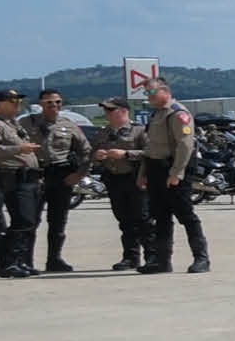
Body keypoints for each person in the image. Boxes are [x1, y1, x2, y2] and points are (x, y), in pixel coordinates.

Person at [138, 78, 209, 273]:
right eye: (146, 93)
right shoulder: (156, 115)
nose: (148, 97)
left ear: (164, 91)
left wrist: (176, 173)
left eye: (151, 92)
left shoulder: (178, 113)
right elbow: (150, 147)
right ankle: (162, 261)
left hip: (173, 170)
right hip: (155, 170)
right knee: (160, 217)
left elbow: (185, 146)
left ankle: (201, 258)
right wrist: (143, 173)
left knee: (186, 215)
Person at [0, 88, 44, 279]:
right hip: (14, 178)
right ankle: (8, 262)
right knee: (22, 221)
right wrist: (19, 148)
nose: (17, 103)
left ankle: (21, 261)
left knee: (30, 222)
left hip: (30, 178)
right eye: (12, 100)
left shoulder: (14, 124)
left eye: (18, 100)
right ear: (0, 103)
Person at [29, 88, 90, 272]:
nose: (54, 106)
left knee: (58, 221)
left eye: (58, 102)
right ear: (41, 104)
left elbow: (86, 151)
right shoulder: (26, 123)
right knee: (30, 221)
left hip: (61, 176)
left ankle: (54, 259)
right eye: (49, 102)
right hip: (36, 174)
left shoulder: (68, 125)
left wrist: (79, 174)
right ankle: (25, 260)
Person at [88, 98, 149, 270]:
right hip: (114, 179)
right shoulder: (103, 133)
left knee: (142, 219)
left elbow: (150, 153)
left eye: (110, 110)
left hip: (135, 178)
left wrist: (126, 154)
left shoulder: (139, 131)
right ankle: (130, 256)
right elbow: (92, 155)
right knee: (124, 219)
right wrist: (97, 156)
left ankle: (152, 256)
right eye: (106, 110)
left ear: (123, 111)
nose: (106, 114)